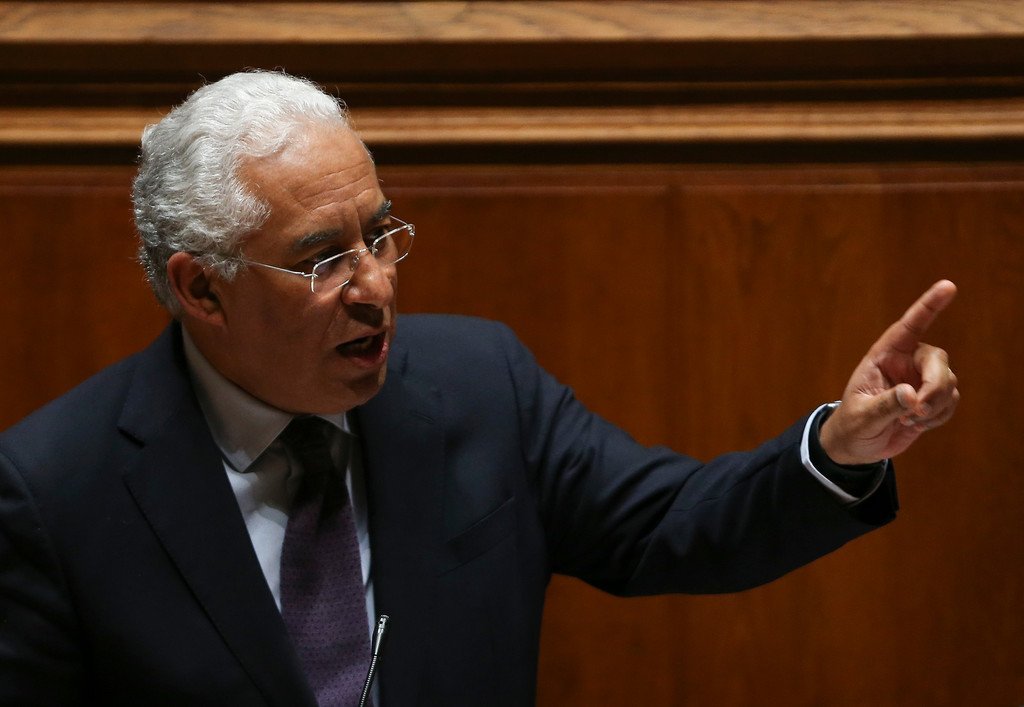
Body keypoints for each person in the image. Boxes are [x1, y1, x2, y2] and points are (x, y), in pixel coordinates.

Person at [0, 70, 959, 706]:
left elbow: (676, 523)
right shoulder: (55, 490)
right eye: (324, 258)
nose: (375, 287)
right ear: (202, 288)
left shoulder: (479, 385)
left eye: (380, 234)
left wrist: (839, 450)